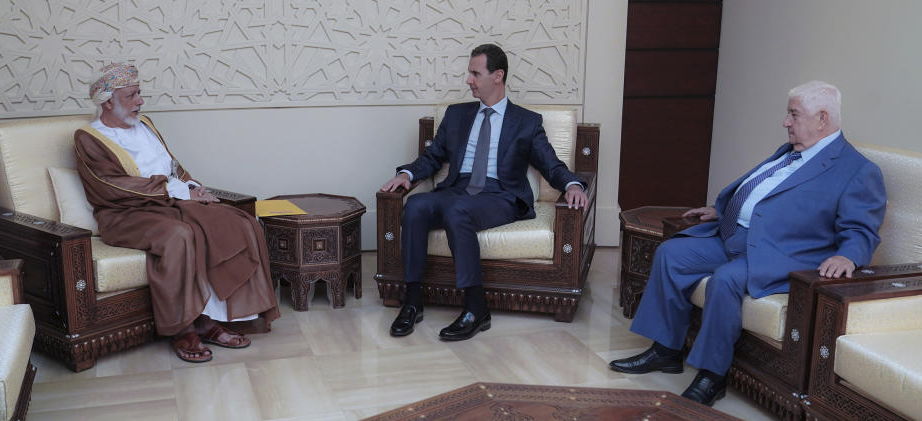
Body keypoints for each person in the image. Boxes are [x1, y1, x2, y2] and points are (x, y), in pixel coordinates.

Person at [609, 81, 886, 406]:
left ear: (822, 119)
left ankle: (712, 377)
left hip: (782, 253)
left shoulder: (858, 170)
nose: (786, 122)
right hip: (735, 237)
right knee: (672, 253)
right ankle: (666, 350)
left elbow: (862, 228)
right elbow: (760, 191)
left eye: (793, 115)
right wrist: (722, 210)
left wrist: (848, 256)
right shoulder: (792, 152)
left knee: (726, 280)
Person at [379, 43, 589, 341]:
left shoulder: (526, 122)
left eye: (475, 73)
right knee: (415, 206)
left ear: (498, 76)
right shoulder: (457, 115)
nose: (469, 80)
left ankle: (476, 308)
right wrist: (407, 174)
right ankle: (412, 302)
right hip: (458, 188)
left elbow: (551, 165)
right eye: (469, 73)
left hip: (500, 196)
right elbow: (433, 156)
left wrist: (572, 184)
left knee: (457, 211)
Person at [74, 63, 280, 363]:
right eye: (132, 96)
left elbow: (173, 167)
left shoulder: (144, 124)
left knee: (238, 221)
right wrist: (176, 191)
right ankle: (184, 328)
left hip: (169, 203)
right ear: (108, 102)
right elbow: (113, 186)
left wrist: (194, 187)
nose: (140, 101)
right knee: (180, 236)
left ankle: (217, 318)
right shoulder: (88, 138)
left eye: (139, 93)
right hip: (125, 214)